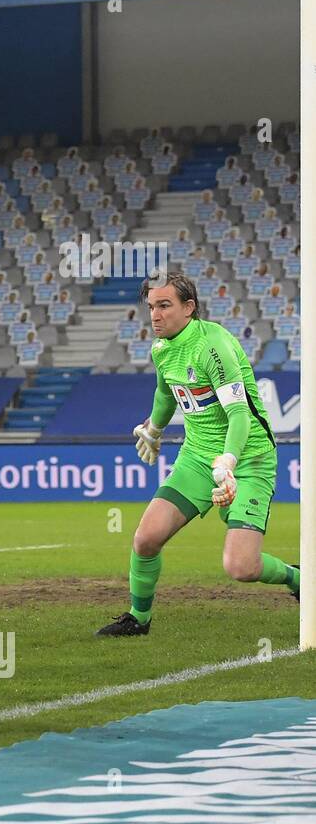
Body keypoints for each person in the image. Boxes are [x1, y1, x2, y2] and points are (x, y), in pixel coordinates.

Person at [100, 271, 299, 636]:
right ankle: (138, 619)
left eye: (164, 305)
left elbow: (239, 414)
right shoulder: (161, 349)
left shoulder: (213, 347)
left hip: (249, 458)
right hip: (196, 457)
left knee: (242, 567)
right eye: (151, 307)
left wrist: (229, 460)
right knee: (146, 538)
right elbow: (165, 393)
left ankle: (299, 578)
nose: (155, 315)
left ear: (189, 307)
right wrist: (154, 429)